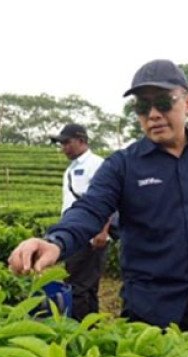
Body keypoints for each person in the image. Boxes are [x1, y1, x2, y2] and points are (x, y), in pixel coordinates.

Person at [9, 59, 188, 350]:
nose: (153, 115)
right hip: (153, 319)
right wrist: (55, 242)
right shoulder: (124, 165)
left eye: (164, 102)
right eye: (142, 106)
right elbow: (90, 210)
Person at [49, 123, 113, 320]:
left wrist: (102, 232)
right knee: (87, 287)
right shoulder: (72, 167)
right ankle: (91, 331)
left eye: (67, 143)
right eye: (61, 144)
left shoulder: (96, 165)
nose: (63, 148)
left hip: (90, 236)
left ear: (82, 141)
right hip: (76, 235)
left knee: (77, 287)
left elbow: (108, 199)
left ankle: (78, 334)